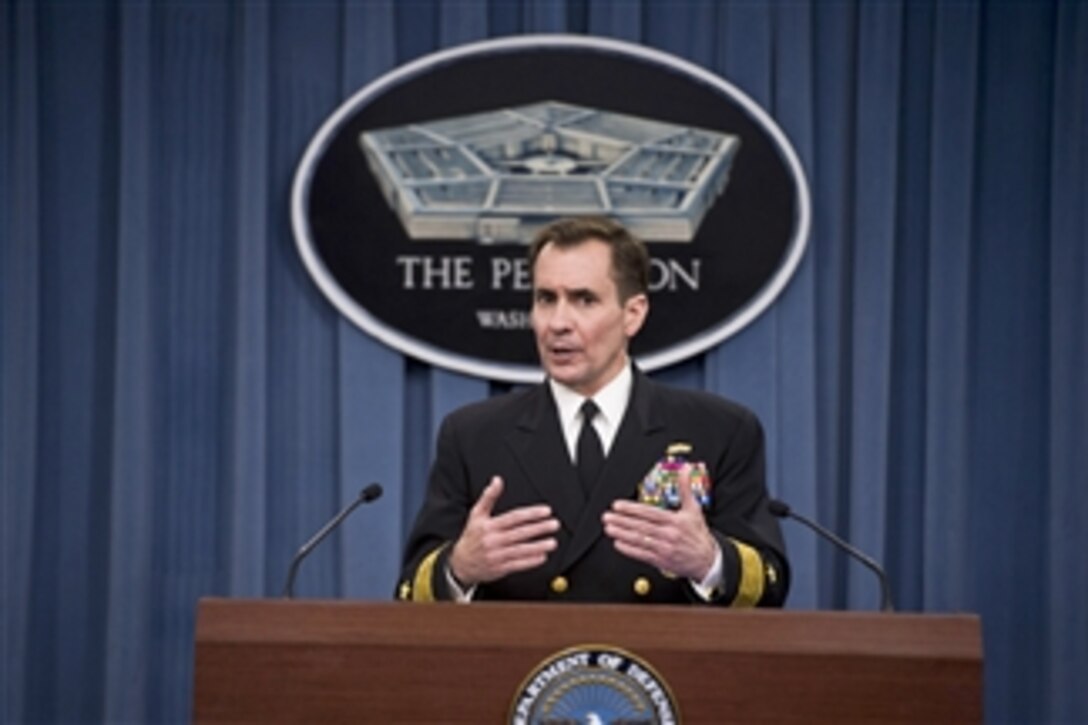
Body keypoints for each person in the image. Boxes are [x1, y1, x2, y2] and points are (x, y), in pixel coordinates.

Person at [397, 216, 788, 606]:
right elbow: (410, 594)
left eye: (584, 300)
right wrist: (459, 569)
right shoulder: (474, 436)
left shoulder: (719, 430)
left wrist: (709, 562)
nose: (558, 323)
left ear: (632, 314)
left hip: (661, 662)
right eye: (546, 299)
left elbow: (769, 589)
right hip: (525, 664)